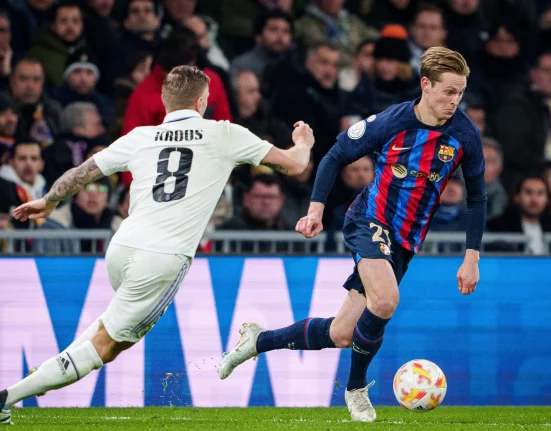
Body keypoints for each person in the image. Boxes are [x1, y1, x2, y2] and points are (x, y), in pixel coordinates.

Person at [0, 65, 314, 425]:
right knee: (104, 346)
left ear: (166, 102)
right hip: (162, 258)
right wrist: (304, 141)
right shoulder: (224, 133)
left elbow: (81, 173)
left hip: (122, 247)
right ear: (201, 101)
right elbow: (294, 165)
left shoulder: (141, 136)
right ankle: (10, 396)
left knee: (110, 339)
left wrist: (50, 202)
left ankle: (34, 381)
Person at [218, 47, 487, 423]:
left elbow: (477, 197)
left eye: (459, 93)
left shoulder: (464, 135)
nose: (454, 101)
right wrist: (315, 209)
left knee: (344, 333)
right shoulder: (391, 122)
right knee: (386, 300)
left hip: (405, 242)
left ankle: (258, 340)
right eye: (448, 92)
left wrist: (471, 257)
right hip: (369, 221)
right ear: (426, 85)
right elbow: (334, 156)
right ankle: (356, 389)